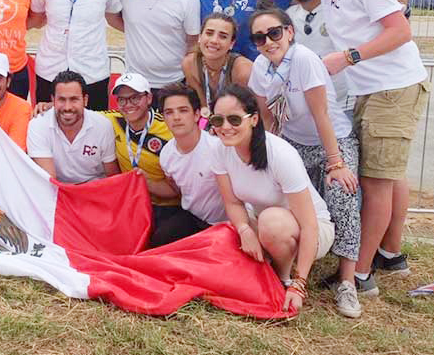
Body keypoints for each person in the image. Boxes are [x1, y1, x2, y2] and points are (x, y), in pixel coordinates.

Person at [298, 0, 428, 297]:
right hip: (372, 89)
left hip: (392, 87)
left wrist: (349, 57)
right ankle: (388, 252)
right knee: (386, 176)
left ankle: (360, 274)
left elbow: (401, 31)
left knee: (374, 183)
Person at [246, 2, 363, 318]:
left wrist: (336, 163)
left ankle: (348, 281)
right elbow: (268, 119)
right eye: (259, 37)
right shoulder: (260, 68)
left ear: (289, 32)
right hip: (293, 141)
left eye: (274, 33)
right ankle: (290, 264)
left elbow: (321, 114)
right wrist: (272, 157)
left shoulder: (305, 60)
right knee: (289, 202)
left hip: (331, 140)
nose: (268, 41)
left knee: (342, 195)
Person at [210, 85, 335, 314]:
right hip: (262, 222)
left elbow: (309, 225)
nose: (225, 127)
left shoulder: (280, 154)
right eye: (218, 120)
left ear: (254, 119)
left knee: (271, 222)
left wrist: (300, 284)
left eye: (235, 120)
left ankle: (284, 279)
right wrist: (245, 230)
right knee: (226, 232)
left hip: (313, 229)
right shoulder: (220, 150)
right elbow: (232, 202)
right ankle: (265, 269)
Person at [108, 0, 200, 96]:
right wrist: (135, 30)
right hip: (136, 82)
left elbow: (192, 42)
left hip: (175, 82)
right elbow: (111, 17)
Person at [101, 73, 184, 247]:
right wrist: (48, 107)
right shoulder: (112, 120)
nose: (128, 105)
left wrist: (145, 182)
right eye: (122, 100)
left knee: (158, 242)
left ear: (148, 98)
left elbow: (177, 191)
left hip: (167, 206)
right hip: (130, 204)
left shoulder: (169, 128)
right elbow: (80, 114)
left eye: (135, 98)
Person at [158, 83, 229, 233]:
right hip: (191, 219)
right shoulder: (166, 154)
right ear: (163, 118)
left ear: (196, 114)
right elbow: (175, 189)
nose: (176, 117)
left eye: (183, 110)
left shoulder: (218, 148)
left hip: (225, 224)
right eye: (169, 112)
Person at [27, 70, 117, 183]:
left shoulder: (103, 125)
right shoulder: (37, 125)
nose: (67, 107)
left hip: (94, 189)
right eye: (61, 99)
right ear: (53, 100)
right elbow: (49, 180)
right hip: (57, 191)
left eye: (74, 99)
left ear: (85, 100)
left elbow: (112, 176)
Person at [181, 13, 253, 118]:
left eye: (223, 36)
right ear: (200, 37)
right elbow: (204, 108)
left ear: (231, 44)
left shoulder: (243, 70)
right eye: (209, 33)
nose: (214, 41)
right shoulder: (189, 63)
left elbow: (243, 113)